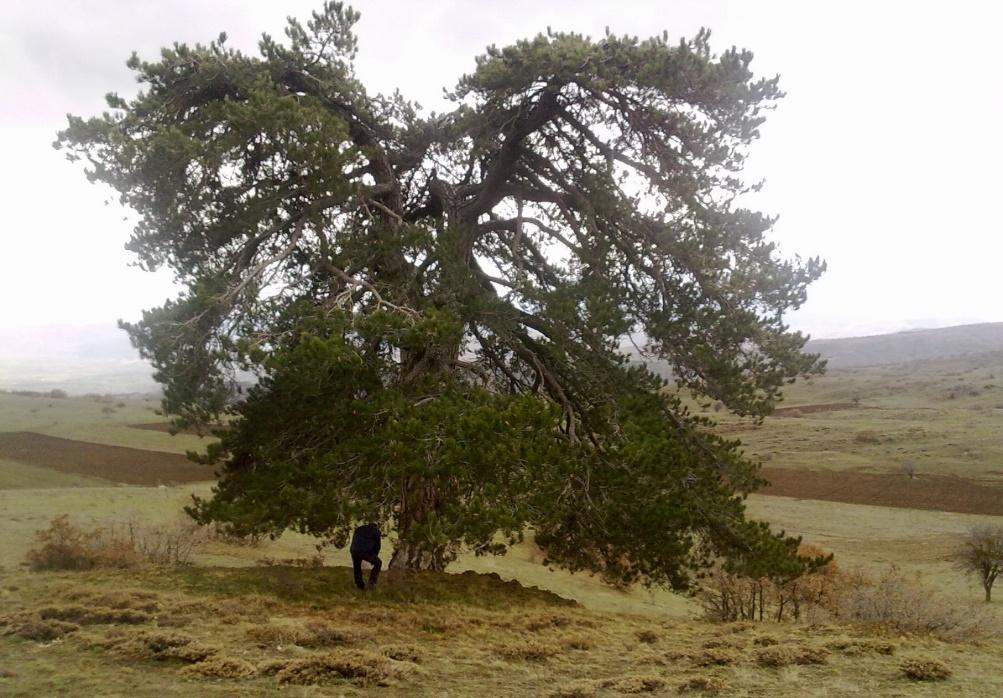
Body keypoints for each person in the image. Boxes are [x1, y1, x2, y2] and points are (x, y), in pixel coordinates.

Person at [349, 522, 382, 590]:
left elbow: (354, 540)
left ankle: (359, 584)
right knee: (378, 563)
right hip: (366, 551)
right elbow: (377, 547)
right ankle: (372, 582)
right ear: (376, 526)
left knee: (357, 565)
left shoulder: (359, 529)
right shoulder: (376, 531)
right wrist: (374, 557)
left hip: (355, 550)